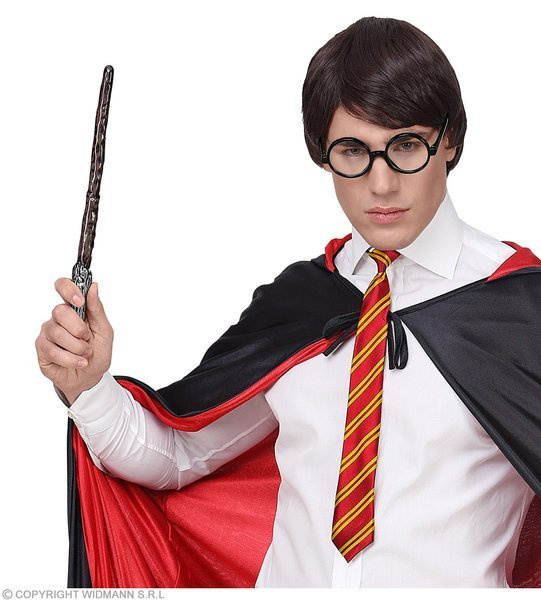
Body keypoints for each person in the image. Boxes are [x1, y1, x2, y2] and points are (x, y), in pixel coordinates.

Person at [35, 16, 541, 588]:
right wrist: (88, 387)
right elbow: (178, 457)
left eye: (406, 145)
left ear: (449, 140)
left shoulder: (523, 310)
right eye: (352, 151)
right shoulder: (303, 302)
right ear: (322, 154)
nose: (381, 184)